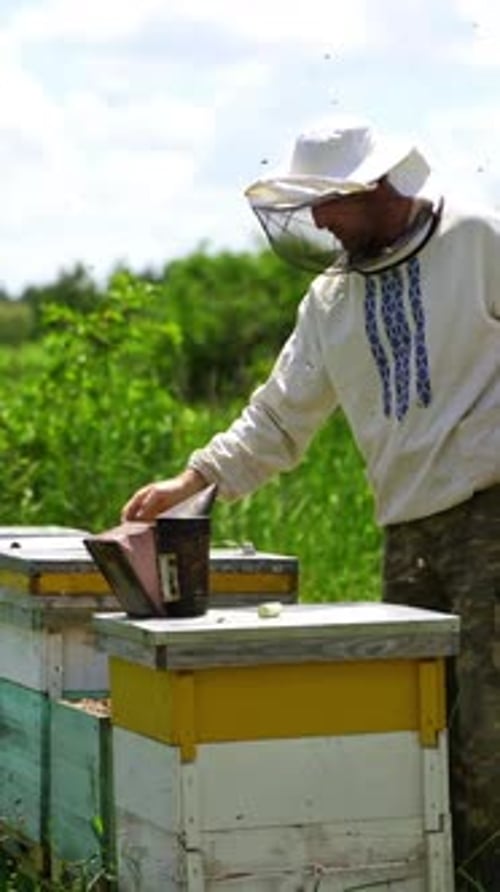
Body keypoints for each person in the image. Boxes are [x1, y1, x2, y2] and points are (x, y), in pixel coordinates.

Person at [122, 119, 500, 889]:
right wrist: (190, 483)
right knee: (421, 735)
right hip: (406, 531)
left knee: (491, 737)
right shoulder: (330, 300)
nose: (319, 222)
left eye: (328, 204)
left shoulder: (479, 239)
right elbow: (277, 417)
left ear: (375, 190)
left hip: (492, 515)